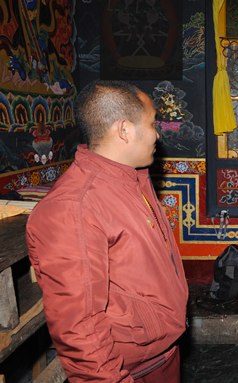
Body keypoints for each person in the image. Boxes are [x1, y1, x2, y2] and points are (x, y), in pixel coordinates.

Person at [26, 81, 189, 383]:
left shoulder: (132, 178)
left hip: (161, 353)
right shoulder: (74, 207)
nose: (157, 133)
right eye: (153, 123)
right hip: (127, 371)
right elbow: (80, 327)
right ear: (125, 130)